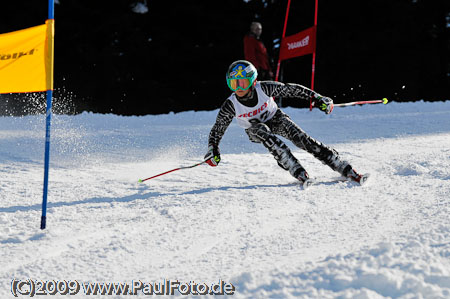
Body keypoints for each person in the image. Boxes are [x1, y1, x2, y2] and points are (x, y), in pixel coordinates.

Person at [204, 60, 366, 187]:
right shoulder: (231, 104)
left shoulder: (264, 88)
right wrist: (214, 149)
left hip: (275, 118)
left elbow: (292, 89)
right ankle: (295, 169)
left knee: (303, 140)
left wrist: (317, 98)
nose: (238, 88)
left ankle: (341, 165)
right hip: (253, 129)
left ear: (253, 82)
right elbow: (218, 129)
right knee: (263, 131)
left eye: (243, 83)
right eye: (234, 84)